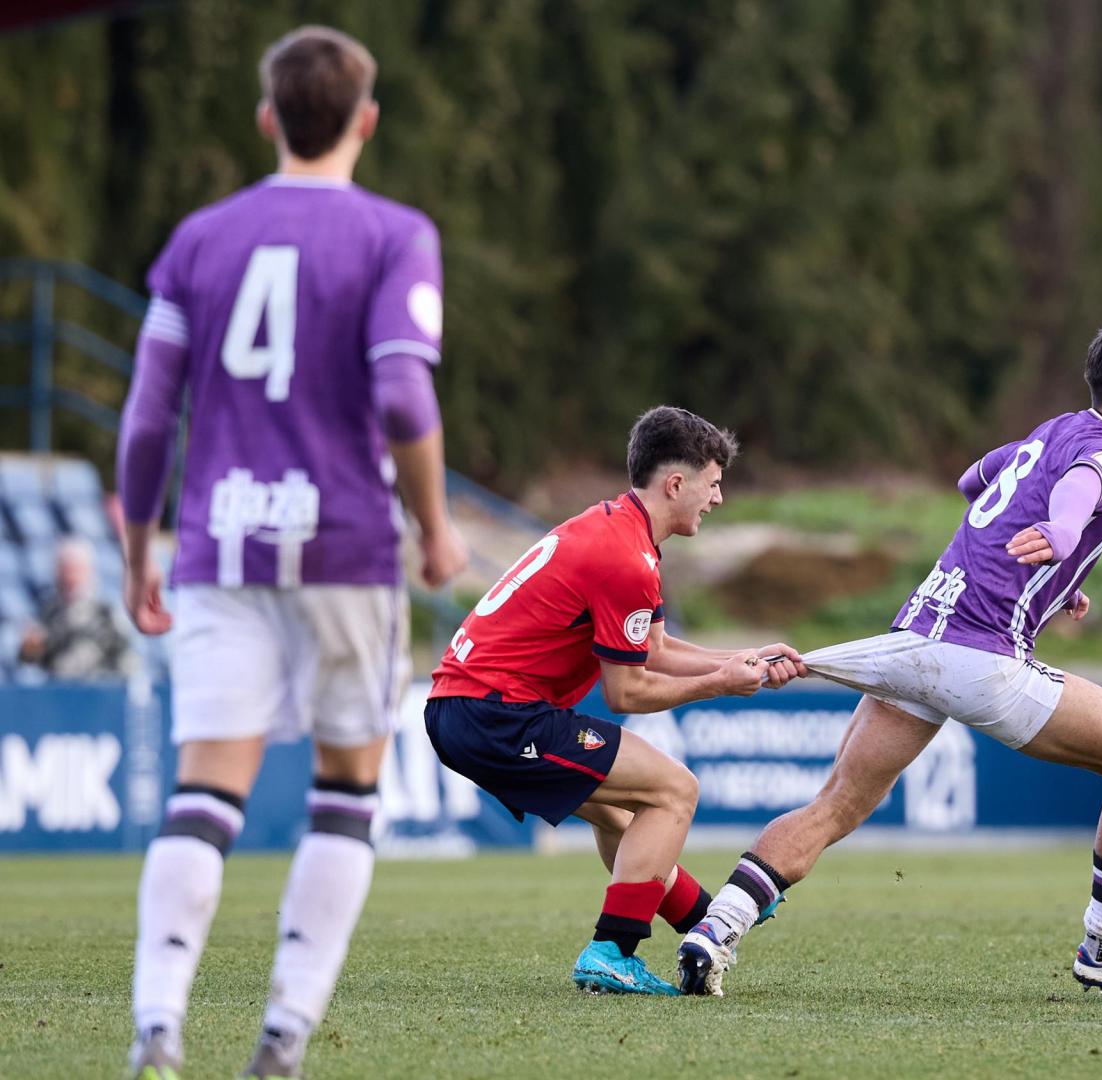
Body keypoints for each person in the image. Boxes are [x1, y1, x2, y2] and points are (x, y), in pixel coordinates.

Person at [116, 26, 469, 1080]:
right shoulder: (395, 234)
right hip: (345, 545)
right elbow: (404, 392)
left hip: (221, 543)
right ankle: (282, 1036)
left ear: (268, 118)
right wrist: (435, 523)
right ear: (366, 120)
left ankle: (156, 1024)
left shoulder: (199, 239)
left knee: (205, 791)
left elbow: (146, 418)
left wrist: (141, 544)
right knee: (347, 788)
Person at [676, 318, 1102, 998]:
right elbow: (1082, 490)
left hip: (917, 639)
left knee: (836, 806)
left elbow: (973, 480)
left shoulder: (1048, 434)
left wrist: (1052, 578)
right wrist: (1063, 535)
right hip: (981, 658)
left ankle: (712, 932)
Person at [426, 405, 807, 995]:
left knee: (622, 814)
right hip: (495, 713)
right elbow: (626, 690)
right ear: (675, 484)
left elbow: (650, 648)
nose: (718, 499)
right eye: (713, 485)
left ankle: (697, 920)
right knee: (675, 789)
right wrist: (722, 684)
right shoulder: (627, 559)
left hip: (464, 708)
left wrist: (740, 660)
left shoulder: (616, 530)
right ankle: (611, 950)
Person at [16, 537, 138, 679]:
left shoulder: (106, 612)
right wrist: (30, 649)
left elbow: (126, 660)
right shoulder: (46, 613)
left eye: (76, 570)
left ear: (89, 571)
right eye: (65, 570)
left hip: (98, 692)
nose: (70, 578)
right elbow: (29, 662)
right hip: (58, 693)